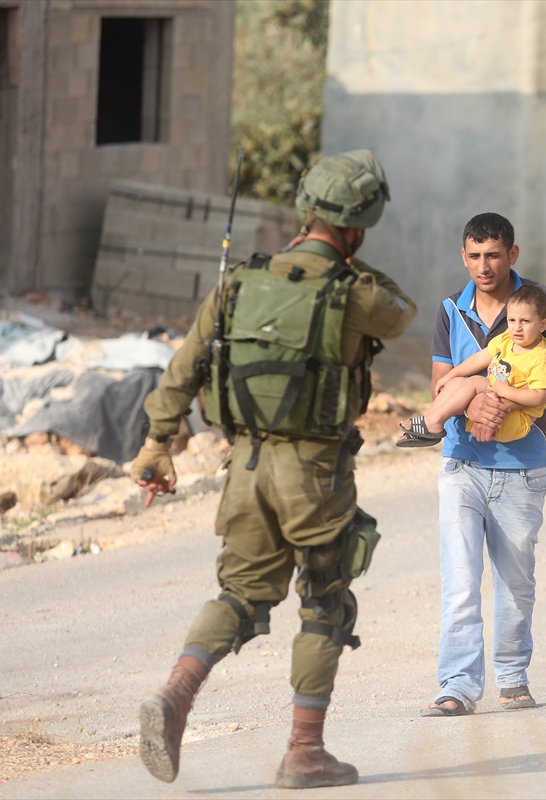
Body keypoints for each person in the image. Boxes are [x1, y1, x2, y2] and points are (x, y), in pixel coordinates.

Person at [130, 150, 416, 789]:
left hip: (246, 470)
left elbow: (182, 369)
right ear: (359, 227)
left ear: (303, 209)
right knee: (324, 604)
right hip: (314, 475)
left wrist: (157, 447)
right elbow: (402, 312)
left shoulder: (237, 282)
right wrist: (343, 262)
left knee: (239, 595)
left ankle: (176, 694)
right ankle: (304, 753)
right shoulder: (354, 292)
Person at [419, 213, 546, 716]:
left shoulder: (538, 305)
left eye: (493, 255)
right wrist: (472, 403)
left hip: (521, 467)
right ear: (463, 257)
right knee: (461, 581)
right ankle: (457, 687)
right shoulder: (450, 310)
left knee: (515, 582)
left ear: (512, 254)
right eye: (473, 256)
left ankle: (512, 678)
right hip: (461, 462)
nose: (483, 267)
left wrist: (502, 398)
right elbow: (442, 383)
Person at [396, 283, 546, 447]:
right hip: (495, 396)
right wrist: (452, 374)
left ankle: (434, 423)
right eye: (512, 320)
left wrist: (506, 392)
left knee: (474, 382)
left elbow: (540, 396)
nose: (517, 327)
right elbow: (482, 356)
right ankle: (428, 425)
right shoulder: (508, 338)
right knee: (456, 382)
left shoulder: (541, 356)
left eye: (525, 321)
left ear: (543, 325)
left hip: (516, 419)